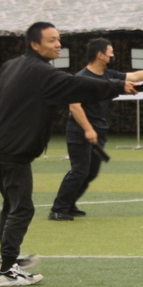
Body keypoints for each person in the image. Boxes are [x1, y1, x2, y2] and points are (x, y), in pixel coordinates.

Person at [0, 22, 143, 286]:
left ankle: (9, 258)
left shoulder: (14, 66)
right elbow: (78, 86)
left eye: (58, 39)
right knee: (22, 208)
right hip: (13, 151)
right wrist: (117, 87)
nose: (58, 44)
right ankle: (5, 271)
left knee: (11, 204)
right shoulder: (40, 72)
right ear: (35, 44)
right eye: (51, 40)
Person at [50, 37, 128, 221]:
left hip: (98, 132)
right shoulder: (80, 78)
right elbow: (74, 106)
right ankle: (58, 209)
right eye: (111, 53)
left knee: (91, 171)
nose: (113, 56)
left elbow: (135, 77)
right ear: (100, 55)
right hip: (80, 132)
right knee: (79, 170)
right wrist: (88, 129)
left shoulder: (108, 75)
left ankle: (70, 203)